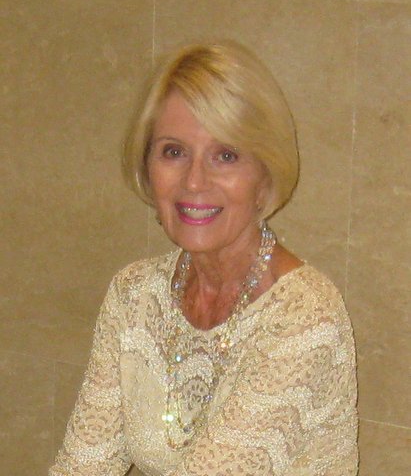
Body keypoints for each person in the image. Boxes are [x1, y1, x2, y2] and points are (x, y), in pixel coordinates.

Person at [49, 41, 358, 475]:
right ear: (147, 166)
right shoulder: (134, 296)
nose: (194, 181)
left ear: (264, 174)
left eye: (225, 155)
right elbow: (82, 466)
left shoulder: (304, 316)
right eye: (174, 152)